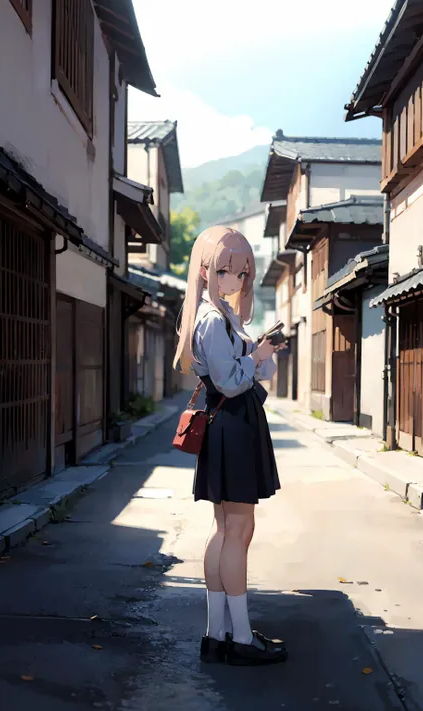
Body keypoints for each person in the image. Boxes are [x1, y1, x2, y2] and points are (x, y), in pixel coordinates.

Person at [173, 225, 288, 666]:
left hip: (230, 425)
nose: (234, 280)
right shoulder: (211, 320)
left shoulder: (223, 319)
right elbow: (233, 381)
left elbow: (259, 374)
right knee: (237, 532)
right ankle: (238, 638)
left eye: (241, 272)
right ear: (205, 271)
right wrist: (255, 356)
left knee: (227, 530)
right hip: (233, 423)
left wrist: (258, 354)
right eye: (225, 270)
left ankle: (217, 633)